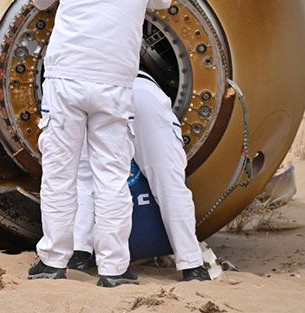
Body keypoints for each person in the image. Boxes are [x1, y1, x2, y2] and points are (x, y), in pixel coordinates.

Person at [27, 0, 171, 287]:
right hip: (113, 87)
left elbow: (40, 0)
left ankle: (54, 260)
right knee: (111, 176)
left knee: (60, 173)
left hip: (66, 83)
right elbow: (165, 1)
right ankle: (113, 269)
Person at [71, 72, 211, 282]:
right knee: (167, 179)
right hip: (141, 90)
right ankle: (192, 265)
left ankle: (78, 253)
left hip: (92, 91)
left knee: (85, 177)